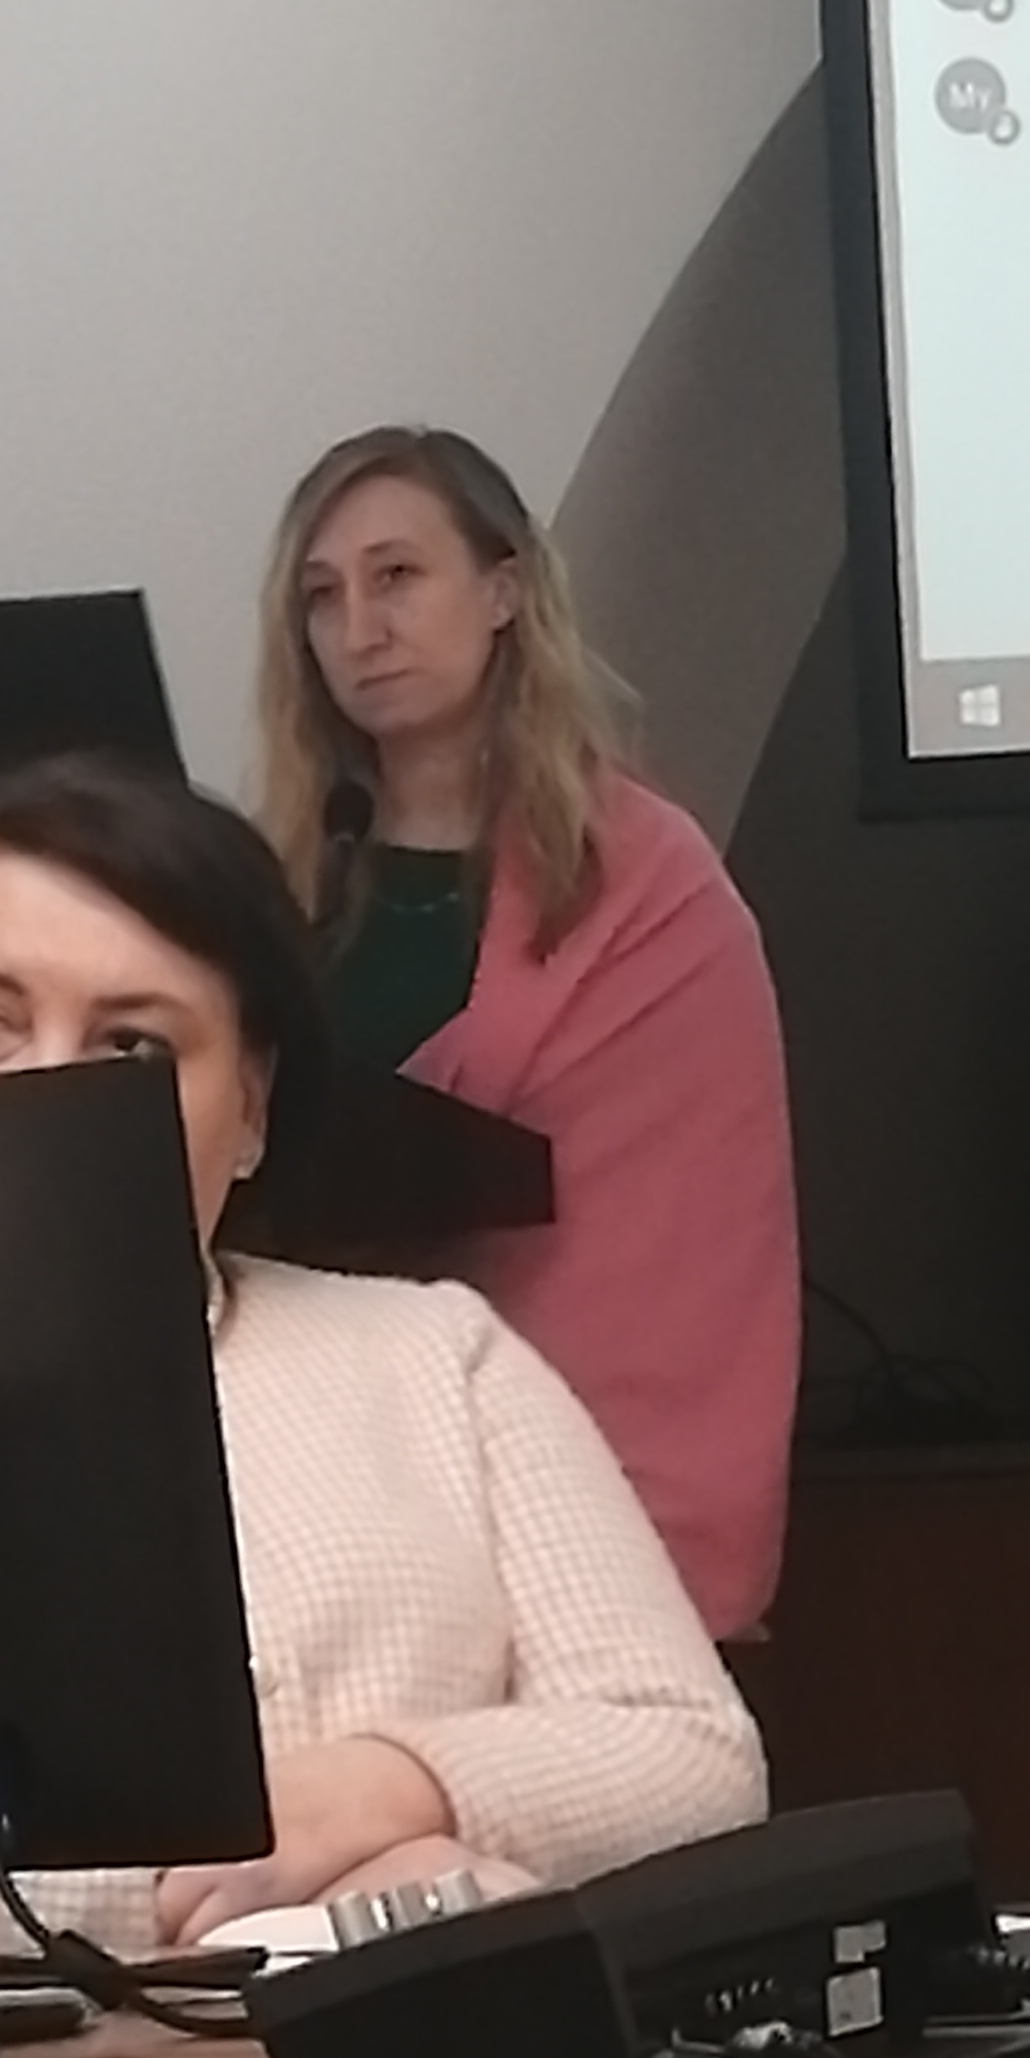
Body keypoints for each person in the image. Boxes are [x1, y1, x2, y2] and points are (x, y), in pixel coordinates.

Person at [0, 755, 763, 1988]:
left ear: (248, 1107)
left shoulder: (438, 1355)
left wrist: (391, 1788)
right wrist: (258, 1883)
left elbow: (696, 1760)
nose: (50, 1089)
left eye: (134, 1043)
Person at [255, 425, 799, 1639]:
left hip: (586, 1453)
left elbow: (677, 1222)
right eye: (323, 596)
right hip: (332, 1458)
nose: (360, 627)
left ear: (503, 591)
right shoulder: (291, 876)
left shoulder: (643, 881)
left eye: (398, 576)